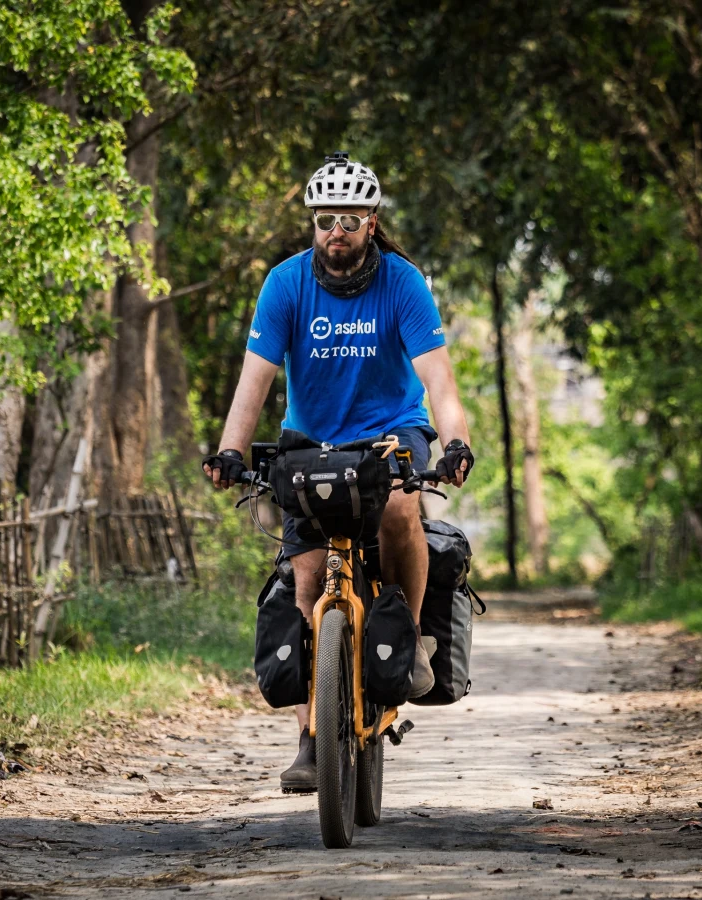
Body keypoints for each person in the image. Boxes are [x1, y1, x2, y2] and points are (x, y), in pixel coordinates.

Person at [202, 152, 474, 793]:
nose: (337, 231)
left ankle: (407, 636)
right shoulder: (285, 284)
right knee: (304, 579)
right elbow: (253, 384)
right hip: (312, 443)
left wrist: (456, 443)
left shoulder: (403, 283)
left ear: (372, 223)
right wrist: (230, 451)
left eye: (350, 218)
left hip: (390, 435)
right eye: (326, 219)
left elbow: (439, 378)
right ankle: (312, 731)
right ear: (313, 223)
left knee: (403, 511)